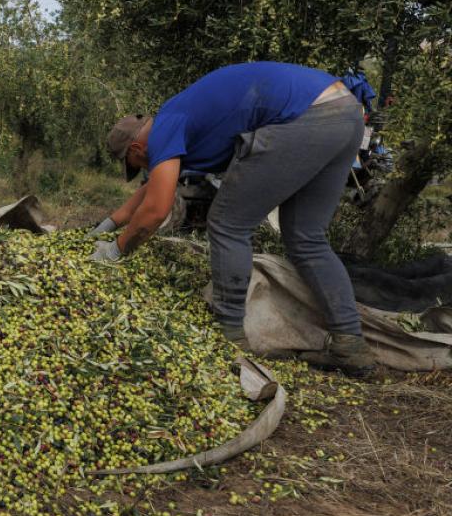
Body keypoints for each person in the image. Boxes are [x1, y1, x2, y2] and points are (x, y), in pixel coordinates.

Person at [91, 62, 373, 376]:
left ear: (135, 148)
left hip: (304, 118)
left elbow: (156, 211)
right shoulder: (179, 119)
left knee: (227, 223)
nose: (142, 167)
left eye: (135, 162)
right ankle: (350, 346)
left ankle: (231, 339)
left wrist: (116, 251)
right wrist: (108, 225)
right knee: (307, 237)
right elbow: (150, 191)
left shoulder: (167, 124)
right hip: (345, 112)